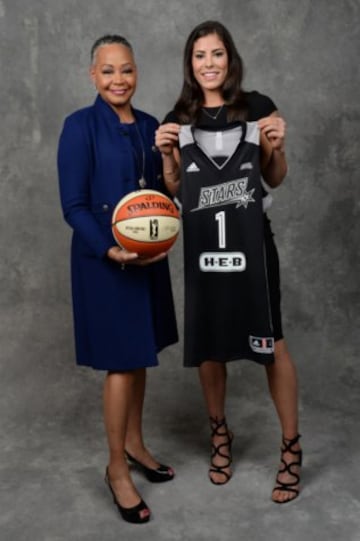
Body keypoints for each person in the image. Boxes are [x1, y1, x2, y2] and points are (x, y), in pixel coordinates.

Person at [155, 20, 302, 504]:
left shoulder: (257, 107)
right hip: (204, 247)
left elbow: (274, 178)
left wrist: (277, 147)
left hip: (253, 246)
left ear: (230, 59)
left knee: (273, 342)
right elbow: (176, 189)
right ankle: (220, 434)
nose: (209, 64)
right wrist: (167, 159)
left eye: (217, 54)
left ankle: (290, 448)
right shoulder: (180, 116)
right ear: (190, 64)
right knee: (211, 343)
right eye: (200, 56)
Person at [57, 34, 178, 524]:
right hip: (105, 261)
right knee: (122, 365)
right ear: (93, 76)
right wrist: (110, 248)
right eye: (107, 70)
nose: (118, 79)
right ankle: (115, 469)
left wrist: (169, 160)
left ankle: (134, 445)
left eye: (126, 69)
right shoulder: (79, 126)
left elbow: (164, 194)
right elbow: (74, 205)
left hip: (147, 258)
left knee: (141, 356)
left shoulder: (151, 126)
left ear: (137, 73)